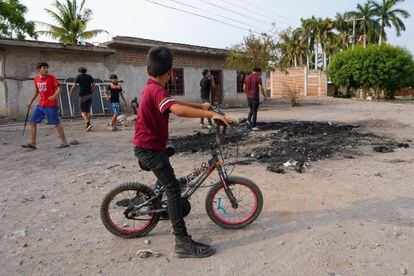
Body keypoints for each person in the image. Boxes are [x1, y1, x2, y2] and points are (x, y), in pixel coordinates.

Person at [133, 46, 232, 258]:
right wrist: (212, 116)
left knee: (169, 180)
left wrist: (203, 108)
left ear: (147, 69)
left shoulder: (152, 88)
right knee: (173, 190)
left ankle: (166, 208)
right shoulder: (156, 90)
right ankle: (182, 242)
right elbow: (177, 109)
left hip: (150, 145)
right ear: (169, 72)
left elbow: (174, 103)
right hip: (149, 149)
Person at [22, 62, 69, 150]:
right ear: (39, 69)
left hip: (51, 105)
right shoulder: (36, 79)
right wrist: (30, 101)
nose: (46, 69)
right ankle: (32, 143)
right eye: (44, 68)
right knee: (32, 121)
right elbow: (37, 91)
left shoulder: (51, 78)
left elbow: (59, 88)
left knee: (56, 123)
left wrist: (54, 95)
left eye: (47, 68)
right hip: (41, 104)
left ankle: (64, 142)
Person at [69, 67, 96, 131]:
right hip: (89, 96)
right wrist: (91, 91)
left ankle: (88, 124)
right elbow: (94, 86)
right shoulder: (90, 76)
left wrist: (70, 92)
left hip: (82, 95)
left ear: (79, 71)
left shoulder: (78, 76)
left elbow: (74, 85)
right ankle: (88, 125)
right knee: (88, 111)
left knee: (82, 112)